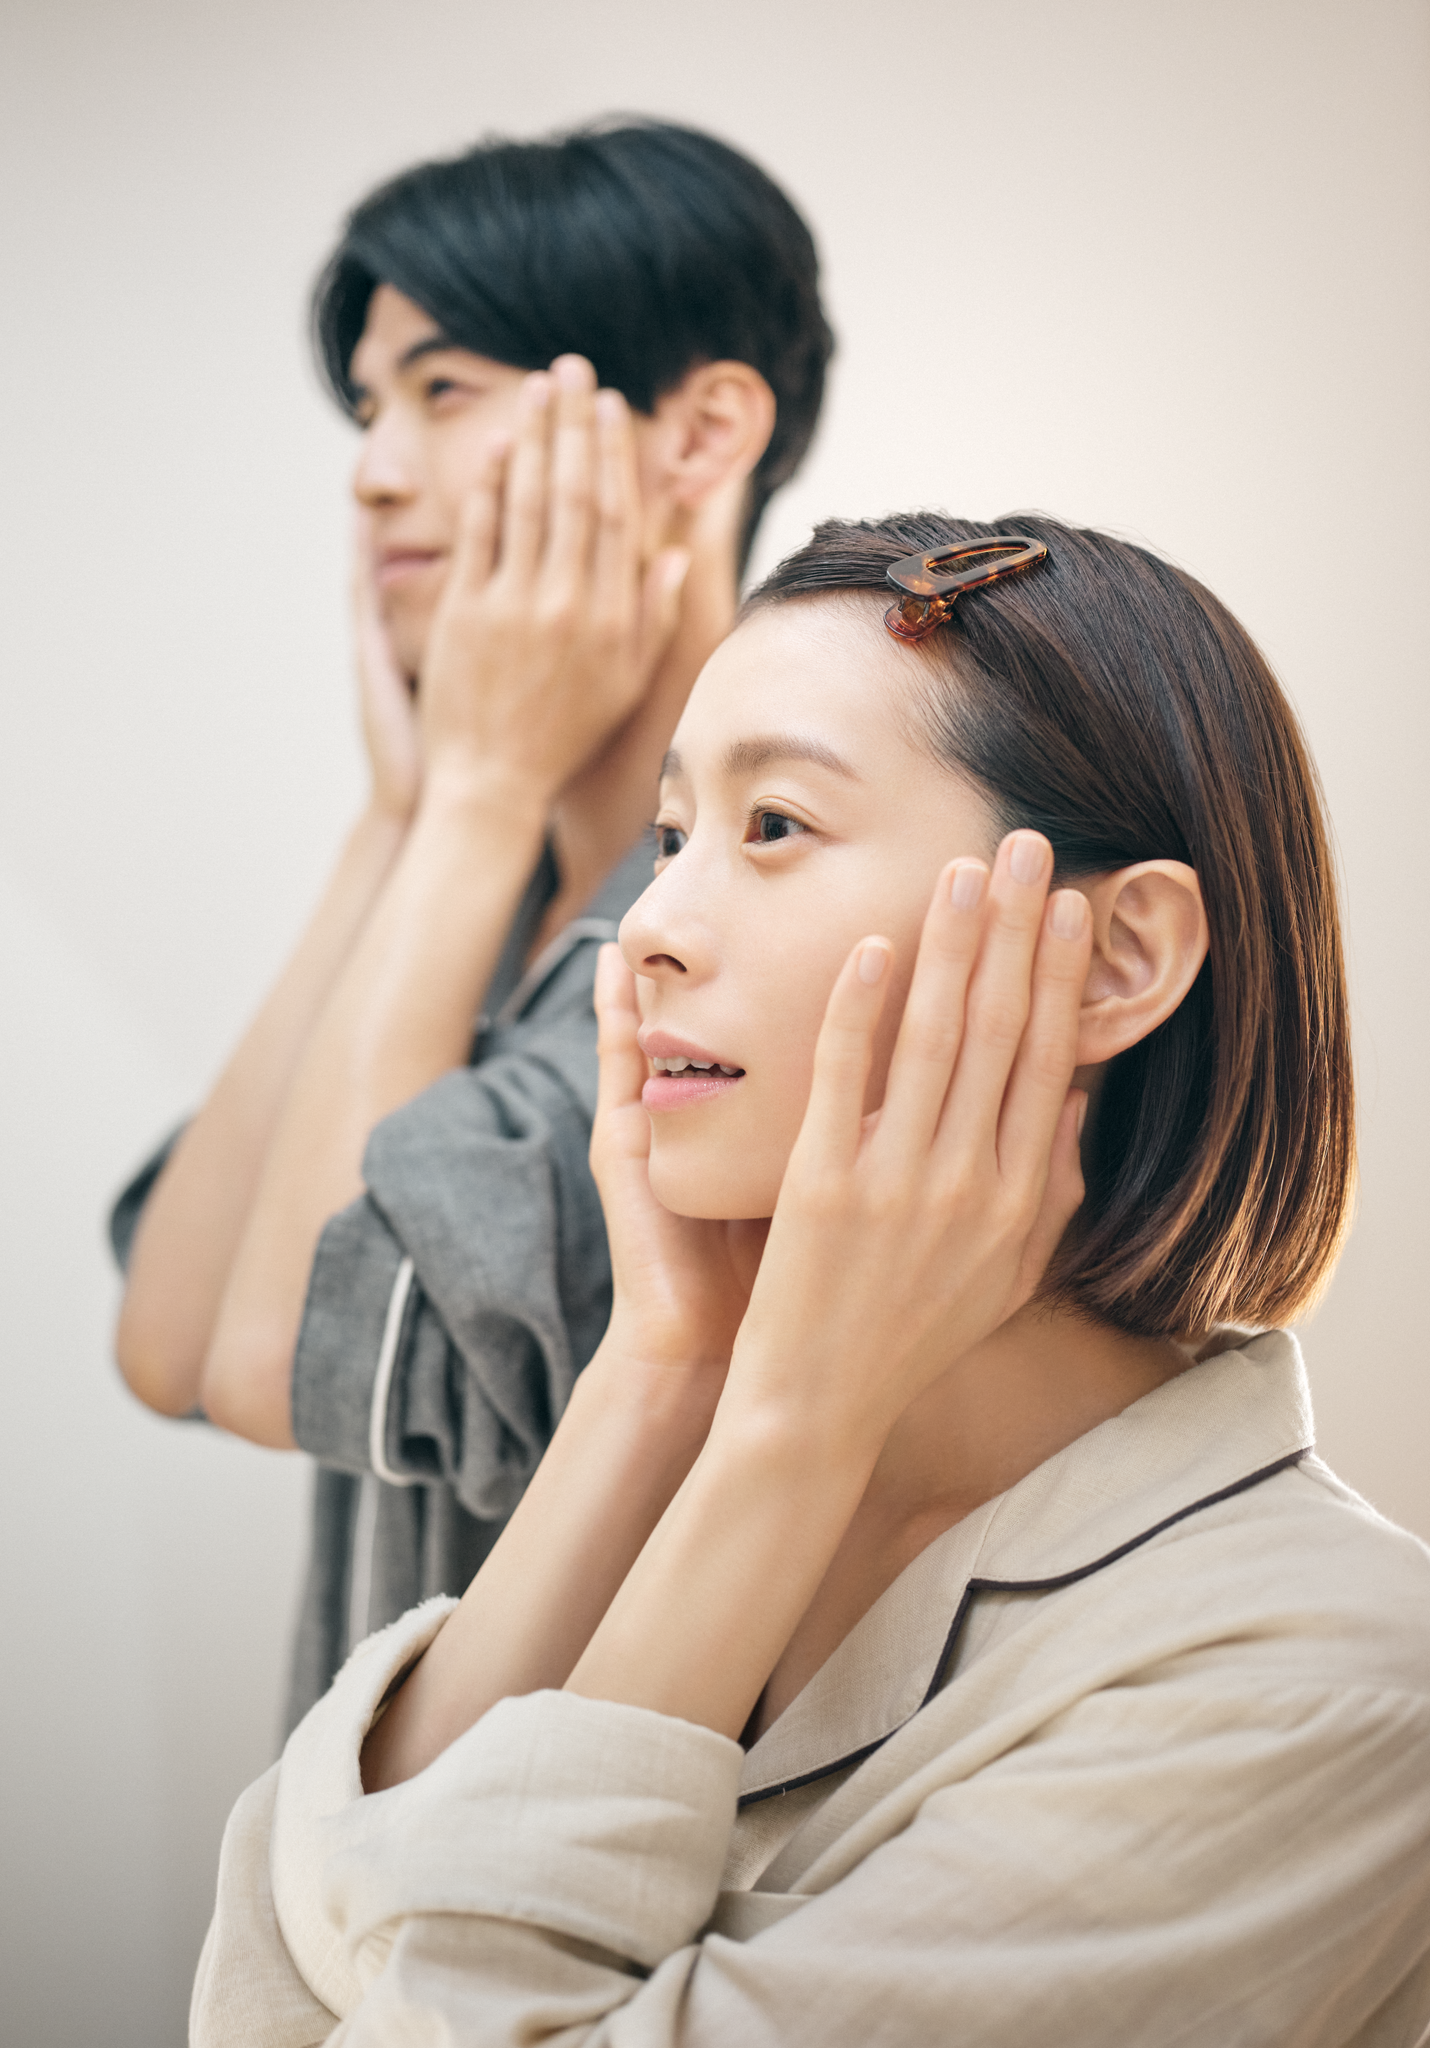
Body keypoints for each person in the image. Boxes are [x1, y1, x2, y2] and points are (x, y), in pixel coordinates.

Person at [191, 512, 1430, 2045]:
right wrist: (658, 1382)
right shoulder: (689, 1494)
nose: (649, 928)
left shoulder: (1326, 1683)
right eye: (670, 839)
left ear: (1117, 958)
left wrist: (783, 1434)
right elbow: (266, 1998)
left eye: (773, 825)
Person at [109, 120, 834, 1725]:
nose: (374, 472)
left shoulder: (709, 950)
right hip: (373, 1864)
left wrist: (483, 785)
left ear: (702, 433)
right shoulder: (480, 891)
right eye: (371, 408)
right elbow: (167, 1340)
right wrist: (407, 815)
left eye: (444, 390)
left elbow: (274, 1363)